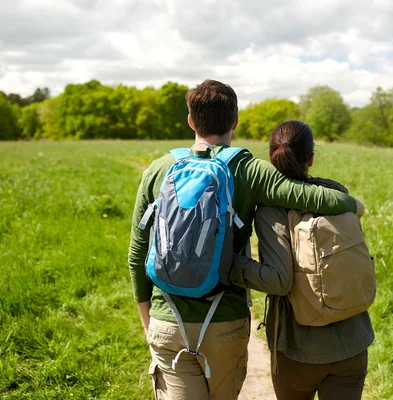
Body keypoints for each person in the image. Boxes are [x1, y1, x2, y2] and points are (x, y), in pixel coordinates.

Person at [128, 80, 363, 400]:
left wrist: (147, 321)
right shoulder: (248, 169)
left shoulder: (158, 170)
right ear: (235, 121)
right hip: (225, 320)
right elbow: (308, 195)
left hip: (166, 318)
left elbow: (137, 253)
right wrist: (354, 204)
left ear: (191, 121)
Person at [229, 120, 375, 400]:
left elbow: (278, 281)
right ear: (311, 158)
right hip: (354, 341)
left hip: (298, 350)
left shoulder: (271, 210)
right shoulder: (337, 196)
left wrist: (233, 265)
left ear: (272, 159)